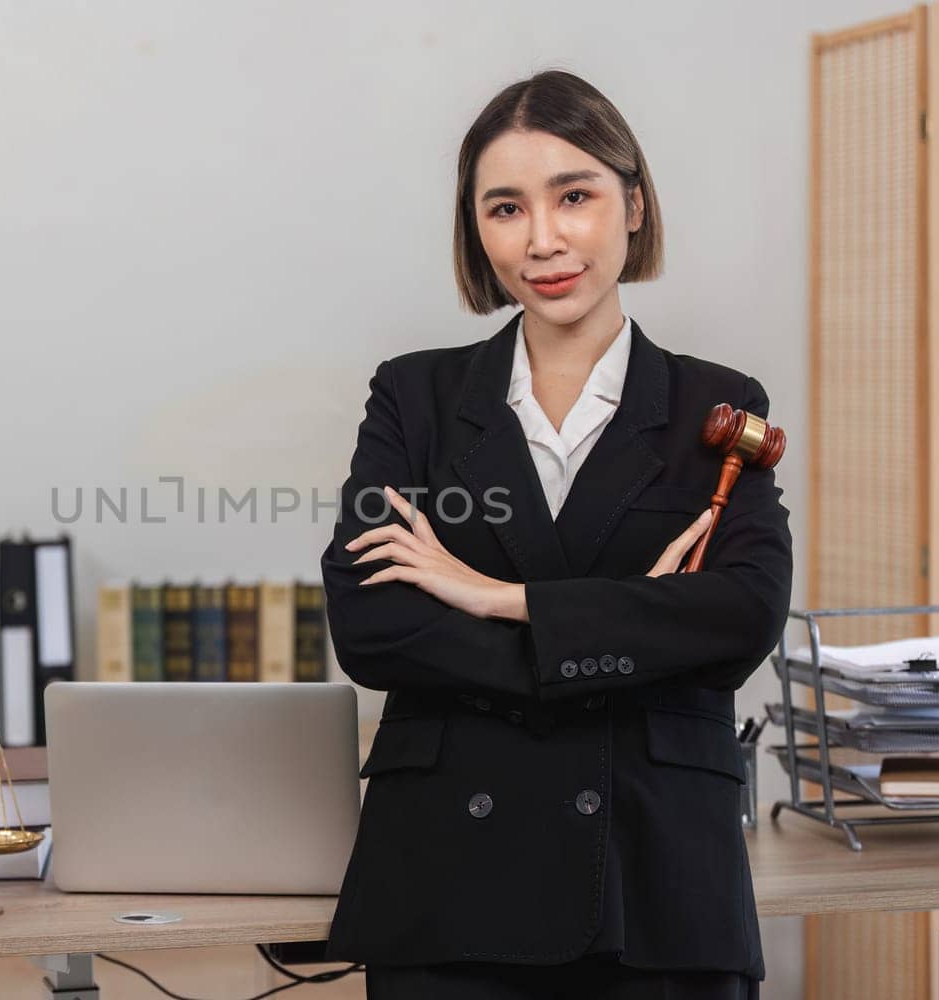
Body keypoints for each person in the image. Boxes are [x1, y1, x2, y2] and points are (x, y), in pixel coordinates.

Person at [318, 69, 793, 999]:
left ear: (634, 205)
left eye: (573, 195)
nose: (542, 240)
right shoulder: (416, 398)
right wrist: (631, 628)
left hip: (656, 880)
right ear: (476, 228)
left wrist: (499, 598)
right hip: (449, 882)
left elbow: (741, 615)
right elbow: (371, 626)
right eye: (505, 208)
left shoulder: (717, 406)